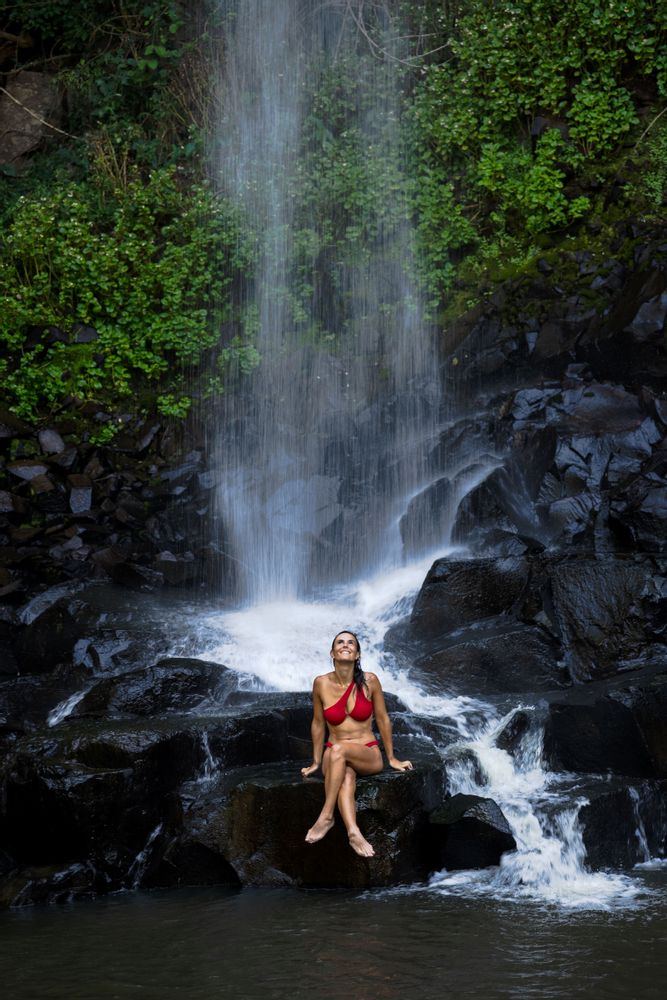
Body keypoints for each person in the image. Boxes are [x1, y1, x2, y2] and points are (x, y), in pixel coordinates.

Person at [301, 629, 413, 858]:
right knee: (346, 776)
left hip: (368, 754)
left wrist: (391, 758)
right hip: (335, 755)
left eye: (351, 643)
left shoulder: (370, 681)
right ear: (332, 652)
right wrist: (315, 761)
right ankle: (353, 832)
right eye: (340, 642)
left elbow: (382, 718)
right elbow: (318, 723)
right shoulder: (321, 683)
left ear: (357, 654)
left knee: (339, 751)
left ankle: (327, 816)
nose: (345, 645)